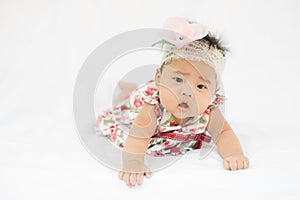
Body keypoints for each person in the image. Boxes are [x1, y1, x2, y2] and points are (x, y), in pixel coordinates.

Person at [95, 16, 249, 188]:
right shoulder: (153, 109)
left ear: (214, 92)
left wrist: (234, 154)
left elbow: (224, 133)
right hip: (135, 120)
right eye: (177, 79)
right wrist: (133, 162)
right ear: (159, 78)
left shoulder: (209, 112)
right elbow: (138, 137)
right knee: (125, 106)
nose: (187, 92)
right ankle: (124, 91)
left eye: (200, 85)